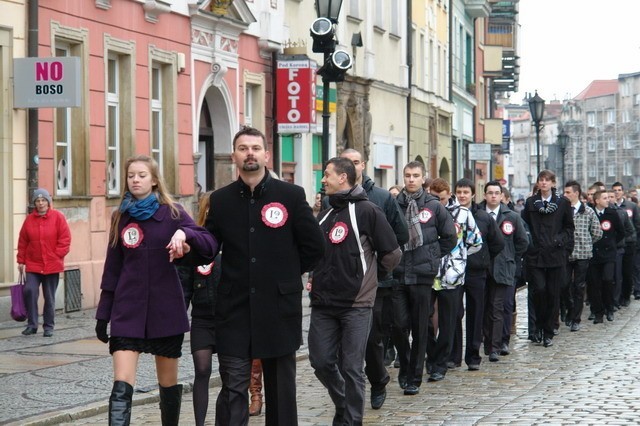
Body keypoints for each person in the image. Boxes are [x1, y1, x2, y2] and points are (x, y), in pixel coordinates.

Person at [205, 126, 325, 426]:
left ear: (266, 155)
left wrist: (284, 273)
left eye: (255, 148)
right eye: (243, 148)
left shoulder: (291, 195)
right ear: (234, 155)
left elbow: (315, 248)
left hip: (278, 307)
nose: (250, 153)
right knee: (233, 385)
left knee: (280, 390)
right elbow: (209, 246)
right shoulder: (219, 200)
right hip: (235, 308)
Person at [95, 155, 218, 426]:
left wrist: (185, 235)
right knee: (121, 385)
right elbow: (112, 269)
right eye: (131, 176)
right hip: (128, 311)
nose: (135, 180)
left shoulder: (172, 213)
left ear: (153, 181)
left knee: (168, 384)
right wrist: (103, 314)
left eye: (141, 175)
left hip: (165, 311)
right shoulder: (121, 217)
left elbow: (209, 245)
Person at [309, 156, 402, 426]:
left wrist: (371, 278)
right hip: (323, 303)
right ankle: (344, 403)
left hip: (356, 304)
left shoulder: (368, 211)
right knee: (321, 362)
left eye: (327, 174)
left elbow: (392, 253)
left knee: (351, 367)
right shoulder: (325, 212)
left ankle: (351, 420)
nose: (323, 179)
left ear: (343, 177)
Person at [336, 149, 408, 411]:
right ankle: (346, 389)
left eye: (355, 162)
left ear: (363, 165)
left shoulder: (381, 197)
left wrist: (379, 265)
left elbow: (400, 236)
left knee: (371, 337)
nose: (352, 167)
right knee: (342, 341)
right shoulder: (332, 198)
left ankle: (378, 380)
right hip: (341, 282)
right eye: (347, 163)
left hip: (374, 282)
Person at [393, 161, 457, 395]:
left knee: (421, 328)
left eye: (416, 175)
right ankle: (406, 363)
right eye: (408, 175)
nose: (411, 179)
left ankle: (415, 377)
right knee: (399, 325)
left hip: (422, 274)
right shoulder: (394, 204)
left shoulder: (433, 206)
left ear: (423, 178)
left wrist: (431, 255)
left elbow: (450, 237)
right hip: (399, 272)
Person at [427, 178, 482, 381]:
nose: (438, 202)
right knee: (424, 318)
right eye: (434, 197)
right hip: (428, 272)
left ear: (448, 195)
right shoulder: (425, 211)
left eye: (441, 198)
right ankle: (430, 356)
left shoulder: (463, 214)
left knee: (449, 321)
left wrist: (459, 258)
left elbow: (476, 241)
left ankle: (440, 364)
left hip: (451, 275)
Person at [177, 192, 221, 426]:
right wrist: (178, 319)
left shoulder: (233, 241)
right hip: (202, 317)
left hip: (229, 317)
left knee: (232, 375)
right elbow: (184, 286)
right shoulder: (194, 244)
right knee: (202, 369)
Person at [450, 179, 504, 371]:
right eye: (459, 192)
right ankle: (453, 356)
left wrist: (484, 259)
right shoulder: (450, 215)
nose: (462, 195)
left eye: (466, 192)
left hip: (476, 272)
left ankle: (473, 356)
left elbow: (498, 243)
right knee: (454, 312)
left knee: (476, 313)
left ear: (473, 195)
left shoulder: (483, 217)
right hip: (454, 272)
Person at [521, 170, 574, 347]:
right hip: (535, 255)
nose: (543, 183)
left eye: (547, 180)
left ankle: (549, 331)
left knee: (553, 293)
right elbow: (524, 225)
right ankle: (539, 326)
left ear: (553, 183)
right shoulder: (530, 203)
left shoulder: (562, 203)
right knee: (539, 290)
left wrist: (559, 241)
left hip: (555, 255)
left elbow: (569, 228)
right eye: (541, 180)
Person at [480, 181, 528, 360]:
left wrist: (511, 257)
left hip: (504, 267)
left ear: (501, 196)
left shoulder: (512, 216)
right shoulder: (478, 214)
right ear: (485, 195)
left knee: (499, 307)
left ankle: (497, 344)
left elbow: (522, 242)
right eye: (490, 192)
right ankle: (488, 341)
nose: (493, 196)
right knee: (485, 307)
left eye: (496, 193)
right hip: (482, 268)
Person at [17, 188, 71, 337]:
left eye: (43, 200)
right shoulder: (29, 220)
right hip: (33, 264)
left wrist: (56, 255)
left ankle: (48, 327)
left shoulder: (58, 217)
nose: (40, 203)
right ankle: (32, 324)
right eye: (38, 201)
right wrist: (21, 260)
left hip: (51, 265)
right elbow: (23, 241)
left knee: (49, 296)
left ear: (48, 202)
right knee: (29, 291)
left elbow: (65, 239)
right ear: (34, 203)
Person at [562, 181, 602, 332]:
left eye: (568, 192)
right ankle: (570, 309)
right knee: (564, 284)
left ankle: (575, 319)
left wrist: (587, 242)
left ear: (576, 193)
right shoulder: (563, 211)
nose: (565, 195)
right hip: (566, 253)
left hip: (583, 254)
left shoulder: (588, 211)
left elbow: (598, 232)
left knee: (579, 286)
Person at [589, 190, 625, 323]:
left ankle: (609, 309)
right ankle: (598, 312)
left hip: (609, 253)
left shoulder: (612, 213)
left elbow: (621, 232)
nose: (608, 200)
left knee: (608, 280)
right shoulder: (590, 213)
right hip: (594, 254)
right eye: (604, 198)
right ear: (597, 200)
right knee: (594, 284)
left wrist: (612, 243)